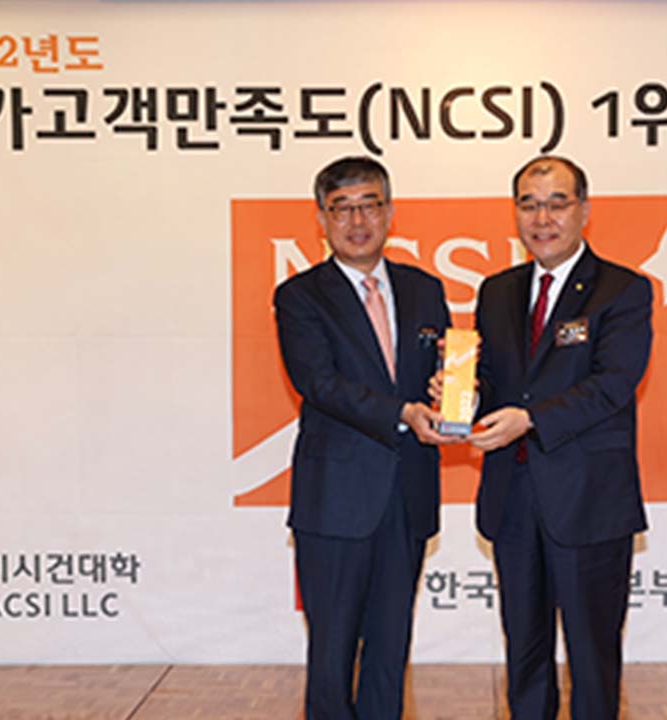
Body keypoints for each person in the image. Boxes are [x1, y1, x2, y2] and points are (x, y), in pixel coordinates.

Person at [469, 155, 654, 719]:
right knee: (524, 652)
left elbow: (613, 384)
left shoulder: (621, 290)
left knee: (592, 658)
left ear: (584, 210)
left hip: (589, 499)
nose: (542, 218)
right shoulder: (497, 291)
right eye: (529, 205)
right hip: (513, 497)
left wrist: (530, 419)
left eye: (557, 203)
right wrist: (463, 396)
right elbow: (493, 381)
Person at [274, 156, 454, 719]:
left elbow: (447, 367)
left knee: (389, 651)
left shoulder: (424, 289)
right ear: (321, 220)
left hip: (408, 494)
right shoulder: (301, 296)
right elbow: (318, 383)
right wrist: (402, 411)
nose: (357, 222)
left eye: (369, 206)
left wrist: (453, 388)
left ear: (390, 212)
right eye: (341, 209)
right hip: (335, 500)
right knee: (331, 655)